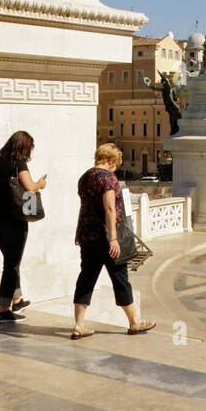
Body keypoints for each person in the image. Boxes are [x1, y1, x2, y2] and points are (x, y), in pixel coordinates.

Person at [72, 144, 155, 339]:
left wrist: (79, 233)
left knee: (86, 279)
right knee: (120, 279)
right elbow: (109, 209)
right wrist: (114, 239)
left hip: (87, 236)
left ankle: (78, 325)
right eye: (115, 164)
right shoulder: (108, 178)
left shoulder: (84, 178)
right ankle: (134, 323)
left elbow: (85, 208)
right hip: (106, 238)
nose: (116, 168)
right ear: (110, 160)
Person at [0, 131, 47, 324]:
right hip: (14, 219)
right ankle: (3, 310)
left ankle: (17, 299)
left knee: (10, 258)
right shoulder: (18, 163)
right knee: (12, 263)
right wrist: (40, 184)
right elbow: (29, 186)